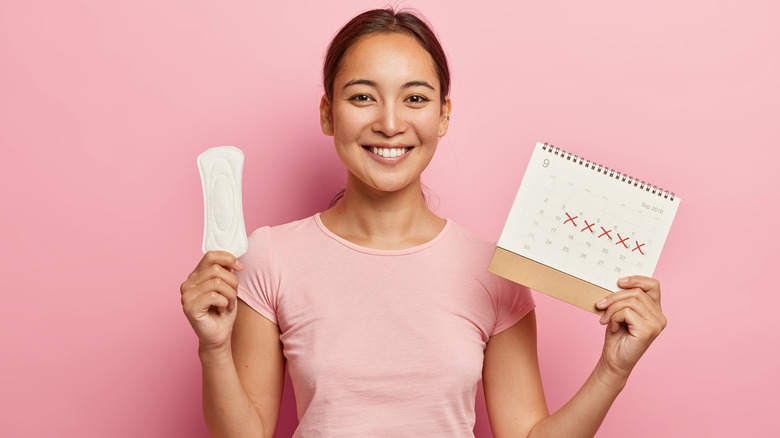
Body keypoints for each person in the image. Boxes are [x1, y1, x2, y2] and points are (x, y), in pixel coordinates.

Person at [180, 8, 666, 438]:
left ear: (443, 116)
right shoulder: (270, 258)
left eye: (414, 99)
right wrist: (214, 348)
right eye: (362, 97)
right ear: (328, 114)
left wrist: (612, 370)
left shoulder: (497, 272)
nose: (390, 123)